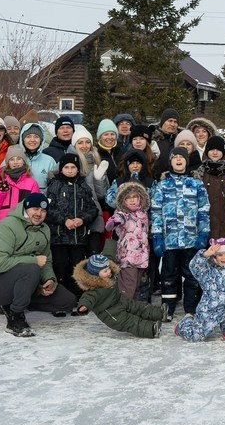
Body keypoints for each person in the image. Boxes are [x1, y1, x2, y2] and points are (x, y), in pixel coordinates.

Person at [0, 192, 77, 337]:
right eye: (35, 209)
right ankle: (15, 316)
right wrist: (34, 261)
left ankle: (20, 300)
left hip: (26, 280)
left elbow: (46, 260)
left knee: (67, 301)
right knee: (31, 268)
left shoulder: (44, 229)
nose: (39, 214)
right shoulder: (7, 227)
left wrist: (49, 280)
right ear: (25, 209)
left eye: (43, 210)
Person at [151, 148, 212, 320]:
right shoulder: (162, 186)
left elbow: (204, 210)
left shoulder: (196, 184)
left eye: (182, 157)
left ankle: (191, 310)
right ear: (170, 162)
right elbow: (155, 212)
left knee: (191, 275)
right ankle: (167, 309)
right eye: (175, 157)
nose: (178, 160)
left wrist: (203, 234)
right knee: (169, 275)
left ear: (186, 161)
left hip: (191, 239)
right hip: (170, 240)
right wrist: (157, 236)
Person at [45, 153, 99, 306]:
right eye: (66, 167)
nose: (69, 170)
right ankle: (59, 302)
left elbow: (92, 209)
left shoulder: (83, 186)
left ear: (78, 169)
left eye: (73, 167)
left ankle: (77, 300)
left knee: (77, 269)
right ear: (61, 169)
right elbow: (49, 209)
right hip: (59, 237)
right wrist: (64, 221)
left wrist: (82, 219)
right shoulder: (54, 185)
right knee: (60, 268)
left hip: (78, 238)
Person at [72, 254, 163, 338]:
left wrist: (110, 242)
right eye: (105, 271)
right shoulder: (93, 290)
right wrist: (83, 306)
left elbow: (108, 253)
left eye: (108, 269)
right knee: (129, 321)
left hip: (120, 300)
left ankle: (160, 313)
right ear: (95, 274)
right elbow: (87, 298)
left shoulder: (107, 278)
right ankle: (151, 329)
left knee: (137, 306)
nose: (109, 272)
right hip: (111, 313)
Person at [175, 238, 225, 342]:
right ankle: (185, 323)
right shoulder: (208, 270)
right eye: (220, 255)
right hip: (210, 308)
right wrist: (204, 255)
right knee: (195, 337)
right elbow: (194, 267)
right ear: (215, 256)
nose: (223, 258)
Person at [70, 125, 112, 257]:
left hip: (94, 214)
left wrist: (99, 179)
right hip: (74, 213)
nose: (84, 146)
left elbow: (102, 194)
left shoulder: (96, 162)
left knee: (94, 253)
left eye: (87, 142)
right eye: (80, 142)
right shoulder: (69, 162)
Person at [107, 183, 152, 301]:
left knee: (137, 287)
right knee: (128, 287)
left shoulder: (143, 214)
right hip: (127, 258)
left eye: (134, 197)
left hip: (142, 257)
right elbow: (117, 219)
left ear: (140, 198)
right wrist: (113, 222)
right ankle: (123, 310)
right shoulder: (122, 214)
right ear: (123, 200)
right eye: (128, 198)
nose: (132, 201)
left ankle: (132, 310)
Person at [195, 135, 225, 245]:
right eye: (212, 149)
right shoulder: (200, 172)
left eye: (218, 150)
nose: (215, 152)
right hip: (204, 224)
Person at [19, 121, 58, 189]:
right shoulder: (15, 158)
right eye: (28, 136)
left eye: (36, 137)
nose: (32, 140)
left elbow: (56, 186)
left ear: (41, 140)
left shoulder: (49, 161)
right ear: (23, 139)